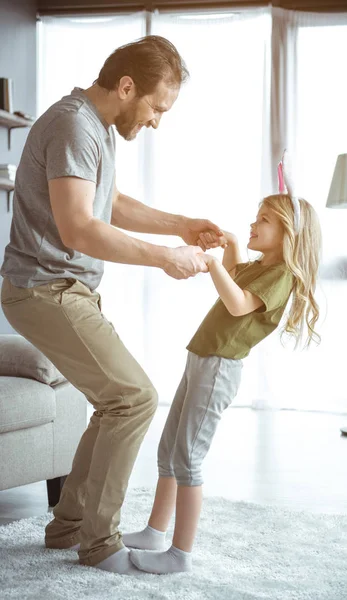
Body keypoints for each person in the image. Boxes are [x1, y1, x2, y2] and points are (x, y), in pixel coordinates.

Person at [0, 35, 223, 576]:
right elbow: (79, 226)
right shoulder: (73, 123)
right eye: (156, 107)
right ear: (127, 87)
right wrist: (165, 257)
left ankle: (69, 525)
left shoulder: (96, 127)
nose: (156, 121)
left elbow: (110, 202)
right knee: (134, 397)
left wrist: (180, 224)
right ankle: (98, 544)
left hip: (65, 288)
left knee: (117, 400)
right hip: (43, 288)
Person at [127, 191, 322, 574]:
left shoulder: (281, 277)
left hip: (218, 369)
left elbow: (237, 303)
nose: (254, 223)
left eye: (264, 219)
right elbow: (235, 276)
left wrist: (210, 264)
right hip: (200, 361)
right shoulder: (260, 266)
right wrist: (232, 244)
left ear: (289, 234)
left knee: (187, 459)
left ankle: (179, 555)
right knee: (168, 451)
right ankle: (154, 532)